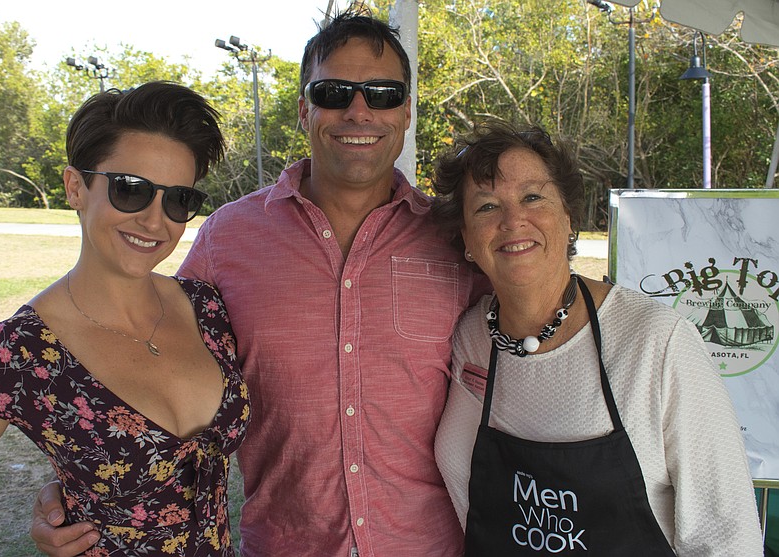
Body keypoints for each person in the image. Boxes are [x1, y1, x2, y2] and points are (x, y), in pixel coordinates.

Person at [30, 8, 487, 557]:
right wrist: (80, 483)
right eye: (334, 91)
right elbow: (143, 354)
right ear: (303, 109)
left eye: (384, 93)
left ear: (407, 111)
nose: (359, 110)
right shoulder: (228, 238)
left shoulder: (453, 239)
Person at [0, 81, 250, 556]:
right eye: (130, 189)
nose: (155, 220)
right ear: (75, 187)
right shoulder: (20, 351)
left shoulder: (206, 309)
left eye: (178, 199)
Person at [430, 119, 764, 556]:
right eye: (487, 206)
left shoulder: (657, 343)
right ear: (466, 239)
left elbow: (727, 536)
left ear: (569, 219)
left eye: (533, 197)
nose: (514, 220)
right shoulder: (470, 337)